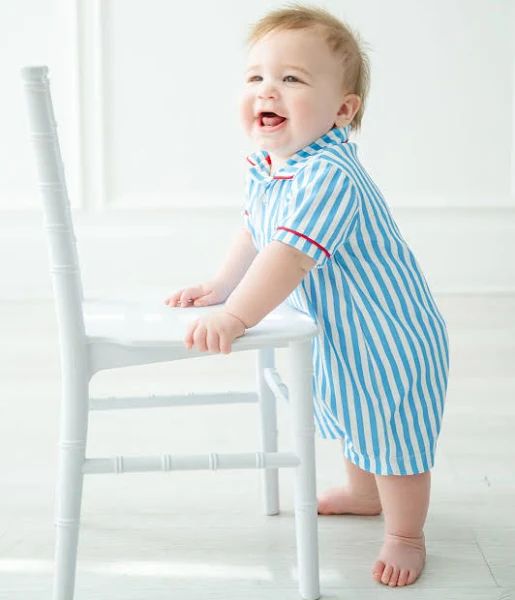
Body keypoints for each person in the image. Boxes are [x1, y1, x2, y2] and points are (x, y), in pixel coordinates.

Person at [165, 3, 449, 588]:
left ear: (343, 110)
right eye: (255, 76)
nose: (267, 90)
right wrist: (222, 284)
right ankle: (363, 493)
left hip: (388, 335)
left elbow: (290, 256)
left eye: (291, 78)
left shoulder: (329, 177)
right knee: (352, 412)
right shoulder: (274, 166)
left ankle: (406, 534)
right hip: (343, 330)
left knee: (391, 434)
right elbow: (256, 232)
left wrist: (236, 314)